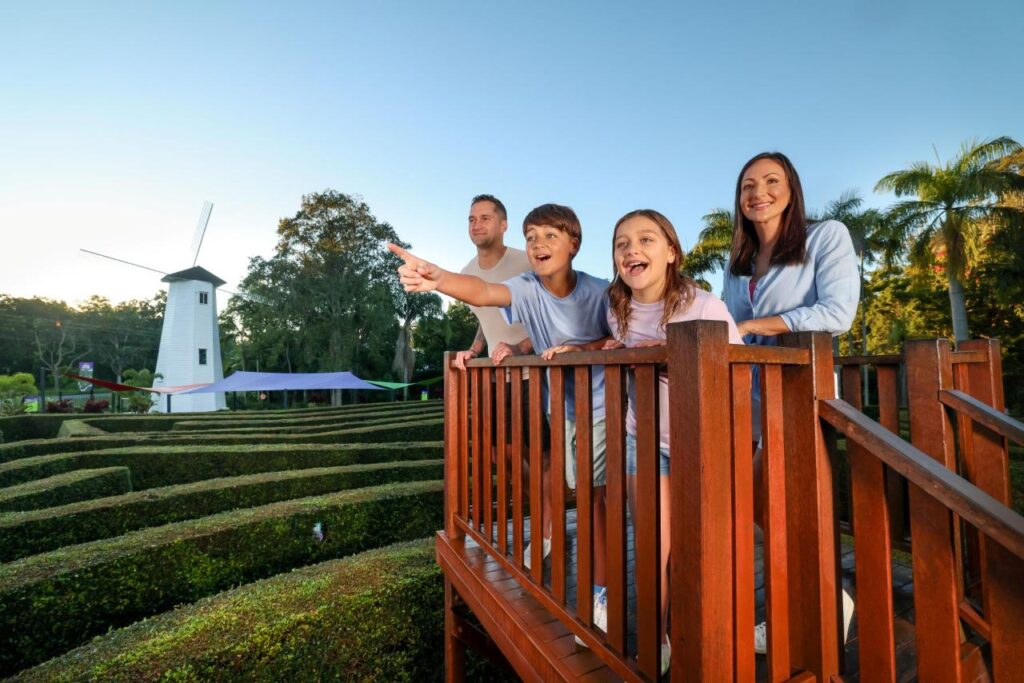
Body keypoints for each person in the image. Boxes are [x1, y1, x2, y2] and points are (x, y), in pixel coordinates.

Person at [389, 203, 613, 643]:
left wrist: (586, 348)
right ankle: (599, 592)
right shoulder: (527, 286)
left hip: (611, 406)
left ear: (575, 243)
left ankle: (604, 598)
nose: (539, 244)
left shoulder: (600, 291)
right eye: (532, 238)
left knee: (604, 503)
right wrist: (437, 276)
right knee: (593, 502)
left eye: (550, 235)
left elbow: (624, 334)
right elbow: (481, 293)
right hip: (564, 408)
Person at [549, 209, 743, 675]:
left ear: (671, 252)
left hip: (703, 441)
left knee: (698, 547)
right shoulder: (619, 308)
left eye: (646, 240)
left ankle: (699, 632)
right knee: (653, 540)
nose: (632, 249)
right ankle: (656, 637)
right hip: (644, 438)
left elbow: (735, 373)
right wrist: (592, 349)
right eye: (622, 243)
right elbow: (611, 340)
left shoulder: (704, 306)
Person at [722, 151, 859, 655]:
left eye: (771, 181)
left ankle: (817, 610)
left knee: (790, 505)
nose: (758, 192)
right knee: (765, 505)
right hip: (752, 398)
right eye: (748, 186)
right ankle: (825, 600)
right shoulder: (738, 262)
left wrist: (759, 326)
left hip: (804, 393)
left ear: (791, 188)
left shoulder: (826, 236)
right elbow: (726, 326)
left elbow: (838, 312)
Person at [454, 195, 533, 369]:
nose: (476, 225)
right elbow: (487, 318)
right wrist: (474, 350)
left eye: (485, 219)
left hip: (537, 374)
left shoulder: (530, 262)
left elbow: (553, 319)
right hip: (494, 377)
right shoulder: (467, 273)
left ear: (503, 225)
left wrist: (521, 347)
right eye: (472, 220)